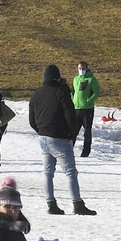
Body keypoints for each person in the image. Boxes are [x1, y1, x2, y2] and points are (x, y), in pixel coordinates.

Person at [28, 64, 95, 216]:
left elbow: (31, 120)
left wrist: (41, 130)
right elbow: (70, 115)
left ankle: (51, 204)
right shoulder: (61, 92)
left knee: (47, 173)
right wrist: (71, 135)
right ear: (57, 77)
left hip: (43, 138)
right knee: (70, 172)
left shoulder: (36, 94)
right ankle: (77, 204)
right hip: (59, 138)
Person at [71, 61, 102, 157]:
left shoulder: (91, 79)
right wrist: (73, 99)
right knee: (73, 130)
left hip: (87, 109)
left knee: (87, 130)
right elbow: (72, 90)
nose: (81, 70)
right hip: (77, 108)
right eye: (79, 68)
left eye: (83, 68)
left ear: (87, 69)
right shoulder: (75, 79)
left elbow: (97, 92)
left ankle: (86, 151)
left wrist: (90, 100)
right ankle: (69, 149)